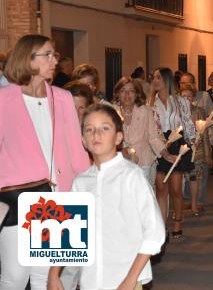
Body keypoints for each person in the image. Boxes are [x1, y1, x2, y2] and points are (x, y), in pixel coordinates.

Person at [0, 34, 90, 290]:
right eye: (47, 55)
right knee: (15, 277)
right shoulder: (3, 99)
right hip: (17, 199)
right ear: (28, 60)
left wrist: (91, 188)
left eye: (55, 55)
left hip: (58, 197)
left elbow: (76, 151)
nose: (54, 61)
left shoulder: (62, 97)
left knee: (47, 279)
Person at [48, 104, 165, 290]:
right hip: (90, 280)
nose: (96, 134)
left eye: (105, 128)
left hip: (126, 279)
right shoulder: (81, 182)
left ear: (118, 137)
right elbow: (67, 232)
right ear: (83, 141)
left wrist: (130, 279)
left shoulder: (131, 176)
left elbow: (155, 231)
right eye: (89, 129)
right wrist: (53, 275)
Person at [149, 68, 196, 240]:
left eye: (158, 77)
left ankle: (178, 221)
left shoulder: (180, 101)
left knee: (176, 188)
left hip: (176, 144)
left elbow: (187, 121)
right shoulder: (150, 103)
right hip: (159, 144)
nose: (154, 81)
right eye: (153, 78)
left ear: (167, 80)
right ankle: (163, 227)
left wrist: (192, 139)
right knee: (161, 189)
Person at [114, 77, 172, 187]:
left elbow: (153, 137)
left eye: (131, 91)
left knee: (142, 199)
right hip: (119, 162)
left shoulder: (146, 111)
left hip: (143, 162)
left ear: (136, 94)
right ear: (117, 93)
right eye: (123, 91)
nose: (127, 95)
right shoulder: (111, 112)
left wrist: (166, 154)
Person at [179, 83, 212, 215]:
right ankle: (182, 203)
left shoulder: (199, 111)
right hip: (182, 150)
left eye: (189, 97)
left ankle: (195, 204)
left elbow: (204, 134)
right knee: (182, 180)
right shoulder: (176, 113)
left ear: (193, 98)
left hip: (197, 150)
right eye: (183, 97)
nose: (186, 99)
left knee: (195, 177)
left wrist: (208, 154)